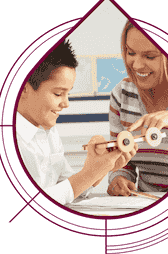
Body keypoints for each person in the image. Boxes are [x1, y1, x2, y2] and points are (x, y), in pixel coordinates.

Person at [16, 40, 138, 205]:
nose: (66, 104)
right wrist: (89, 173)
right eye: (58, 94)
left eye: (68, 94)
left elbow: (68, 188)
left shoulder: (48, 132)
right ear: (24, 87)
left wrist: (100, 169)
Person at [107, 21, 168, 196]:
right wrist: (119, 178)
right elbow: (123, 161)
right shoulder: (122, 95)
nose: (137, 65)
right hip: (144, 204)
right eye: (131, 52)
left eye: (150, 56)